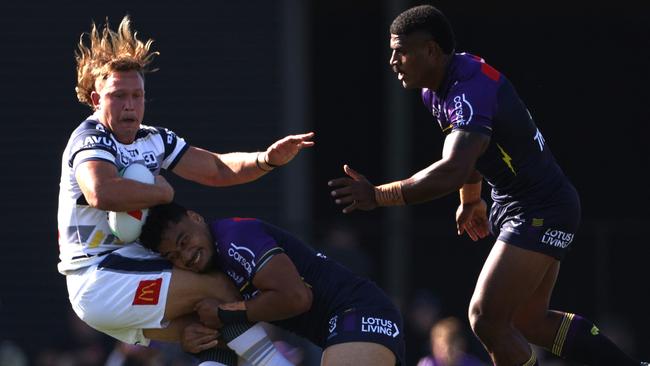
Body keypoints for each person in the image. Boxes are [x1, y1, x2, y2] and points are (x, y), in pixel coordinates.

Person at [328, 5, 648, 366]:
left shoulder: (468, 90)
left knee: (485, 318)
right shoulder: (436, 89)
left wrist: (377, 195)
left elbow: (452, 168)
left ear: (431, 51)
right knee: (529, 322)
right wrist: (472, 199)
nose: (392, 60)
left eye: (400, 50)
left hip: (541, 209)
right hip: (526, 205)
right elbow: (473, 153)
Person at [58, 15, 313, 365]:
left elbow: (217, 169)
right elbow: (101, 191)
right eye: (118, 96)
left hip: (128, 270)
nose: (130, 105)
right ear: (95, 98)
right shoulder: (90, 138)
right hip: (99, 277)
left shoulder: (153, 138)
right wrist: (162, 194)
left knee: (212, 329)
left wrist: (266, 159)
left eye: (137, 95)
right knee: (221, 292)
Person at [138, 202, 406, 366]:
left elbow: (296, 298)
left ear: (195, 217)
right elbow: (232, 325)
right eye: (173, 256)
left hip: (359, 312)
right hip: (342, 326)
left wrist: (222, 314)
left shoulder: (234, 238)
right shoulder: (211, 264)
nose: (185, 256)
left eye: (184, 241)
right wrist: (192, 338)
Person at [416, 316, 486, 366]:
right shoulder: (427, 364)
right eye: (439, 348)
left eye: (450, 349)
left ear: (462, 345)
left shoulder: (473, 363)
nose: (445, 353)